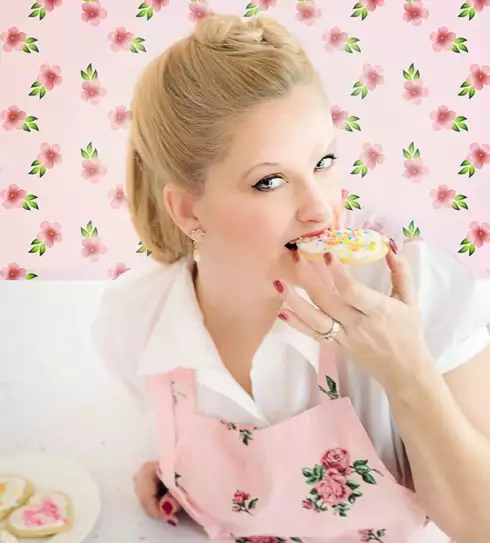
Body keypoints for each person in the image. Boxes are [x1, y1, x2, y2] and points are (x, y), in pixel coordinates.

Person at [92, 13, 490, 543]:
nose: (320, 208)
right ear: (188, 211)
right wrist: (179, 476)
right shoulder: (136, 322)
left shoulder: (413, 290)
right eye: (270, 181)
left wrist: (406, 371)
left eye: (324, 161)